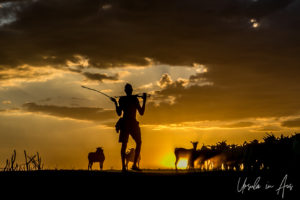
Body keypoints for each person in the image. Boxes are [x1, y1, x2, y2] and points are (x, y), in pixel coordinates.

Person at [111, 83, 147, 172]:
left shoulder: (122, 99)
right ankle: (133, 165)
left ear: (125, 91)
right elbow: (141, 113)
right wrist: (144, 101)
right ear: (131, 91)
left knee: (125, 145)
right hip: (132, 123)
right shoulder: (134, 99)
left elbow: (119, 113)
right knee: (138, 142)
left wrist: (115, 103)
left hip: (125, 123)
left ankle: (124, 166)